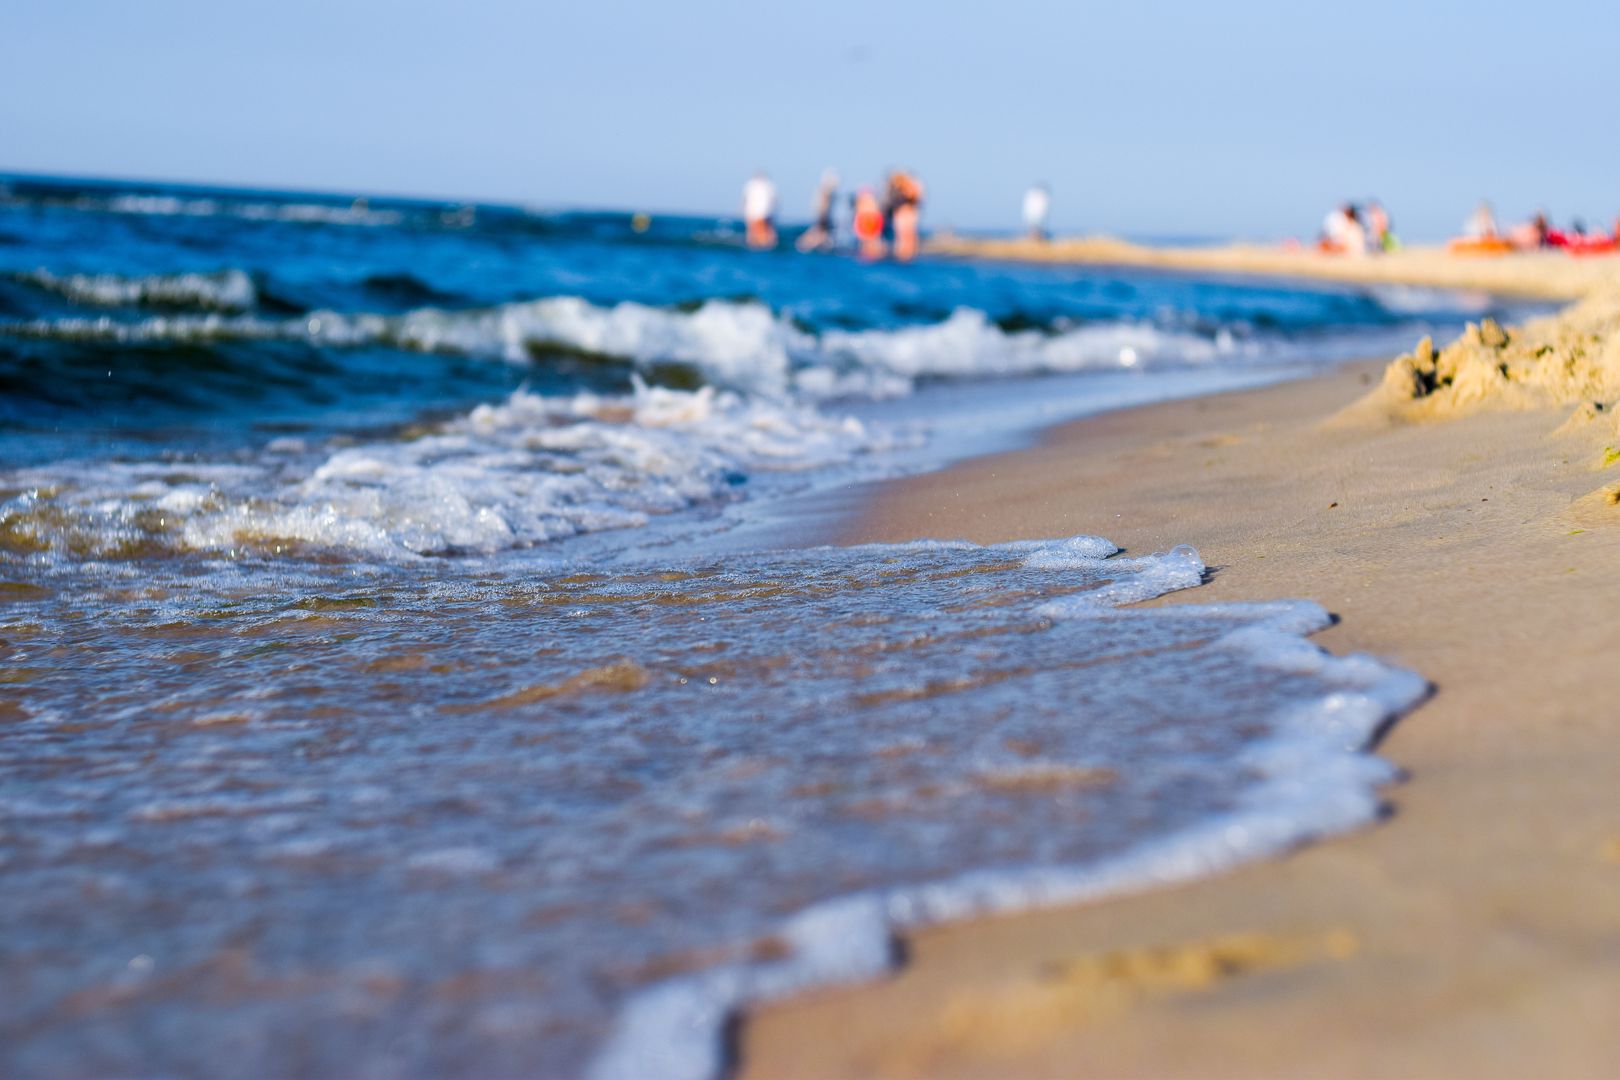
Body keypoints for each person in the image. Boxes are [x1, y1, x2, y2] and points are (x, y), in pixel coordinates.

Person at [795, 169, 840, 253]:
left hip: (823, 222)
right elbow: (821, 212)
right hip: (822, 222)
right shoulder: (824, 193)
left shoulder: (827, 194)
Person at [887, 169, 924, 262]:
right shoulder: (897, 187)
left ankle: (908, 253)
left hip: (908, 211)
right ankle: (904, 253)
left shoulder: (913, 186)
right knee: (903, 234)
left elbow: (915, 198)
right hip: (903, 211)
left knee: (908, 233)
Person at [742, 171, 778, 250]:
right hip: (764, 212)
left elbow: (745, 200)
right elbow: (774, 200)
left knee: (754, 231)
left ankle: (757, 245)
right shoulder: (769, 185)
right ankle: (764, 245)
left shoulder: (750, 184)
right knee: (764, 231)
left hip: (754, 212)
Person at [851, 187, 886, 260]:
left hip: (873, 237)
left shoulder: (876, 213)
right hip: (865, 237)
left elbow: (879, 226)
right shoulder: (861, 214)